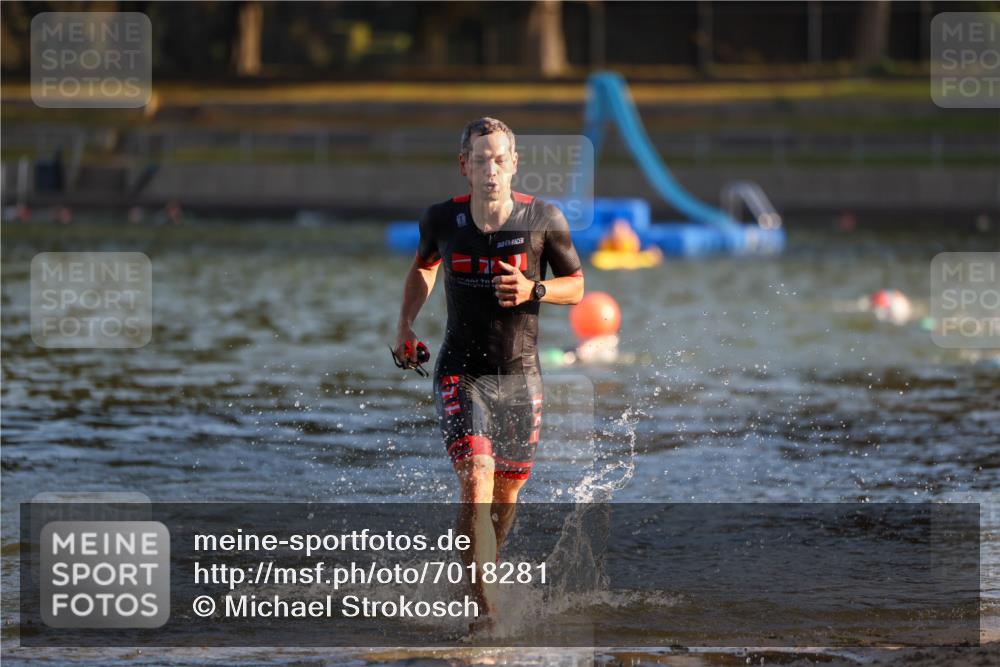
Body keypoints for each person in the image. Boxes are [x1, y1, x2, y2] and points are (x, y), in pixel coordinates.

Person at [393, 117, 584, 632]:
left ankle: (477, 578)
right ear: (465, 166)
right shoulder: (441, 219)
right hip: (461, 370)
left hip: (521, 375)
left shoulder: (543, 218)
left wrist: (534, 290)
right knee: (476, 474)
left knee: (506, 493)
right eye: (481, 160)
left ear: (514, 163)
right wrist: (405, 325)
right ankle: (485, 613)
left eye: (500, 159)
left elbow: (577, 285)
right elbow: (424, 266)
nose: (491, 170)